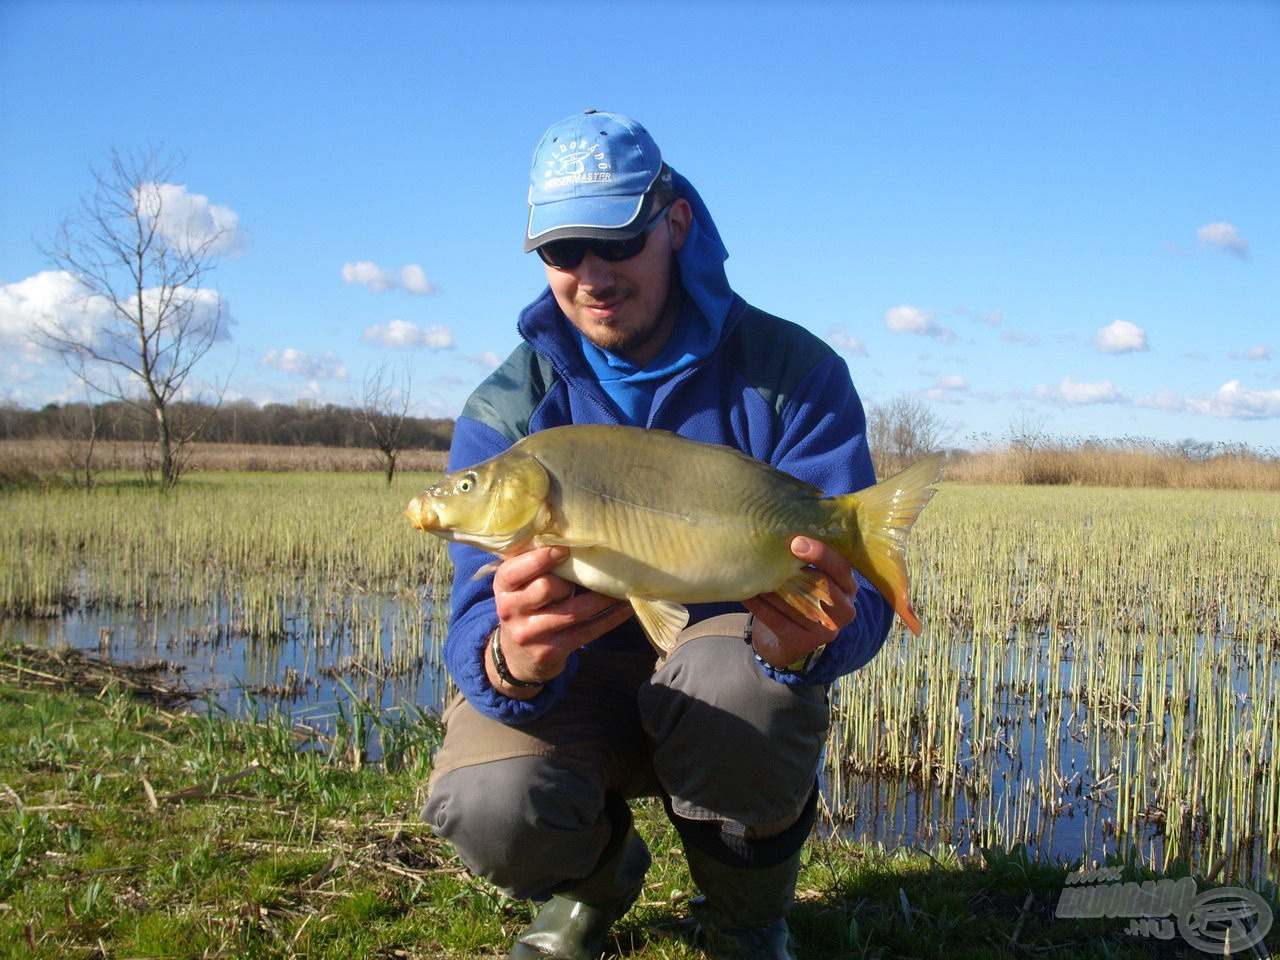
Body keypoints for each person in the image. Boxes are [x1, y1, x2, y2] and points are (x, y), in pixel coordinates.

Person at [423, 110, 893, 960]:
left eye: (617, 240)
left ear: (674, 223)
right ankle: (595, 886)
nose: (591, 275)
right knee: (488, 799)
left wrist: (810, 643)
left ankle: (747, 920)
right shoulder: (506, 412)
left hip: (724, 664)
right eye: (563, 253)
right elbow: (470, 627)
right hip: (582, 682)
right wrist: (510, 661)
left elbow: (862, 609)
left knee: (741, 688)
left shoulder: (794, 373)